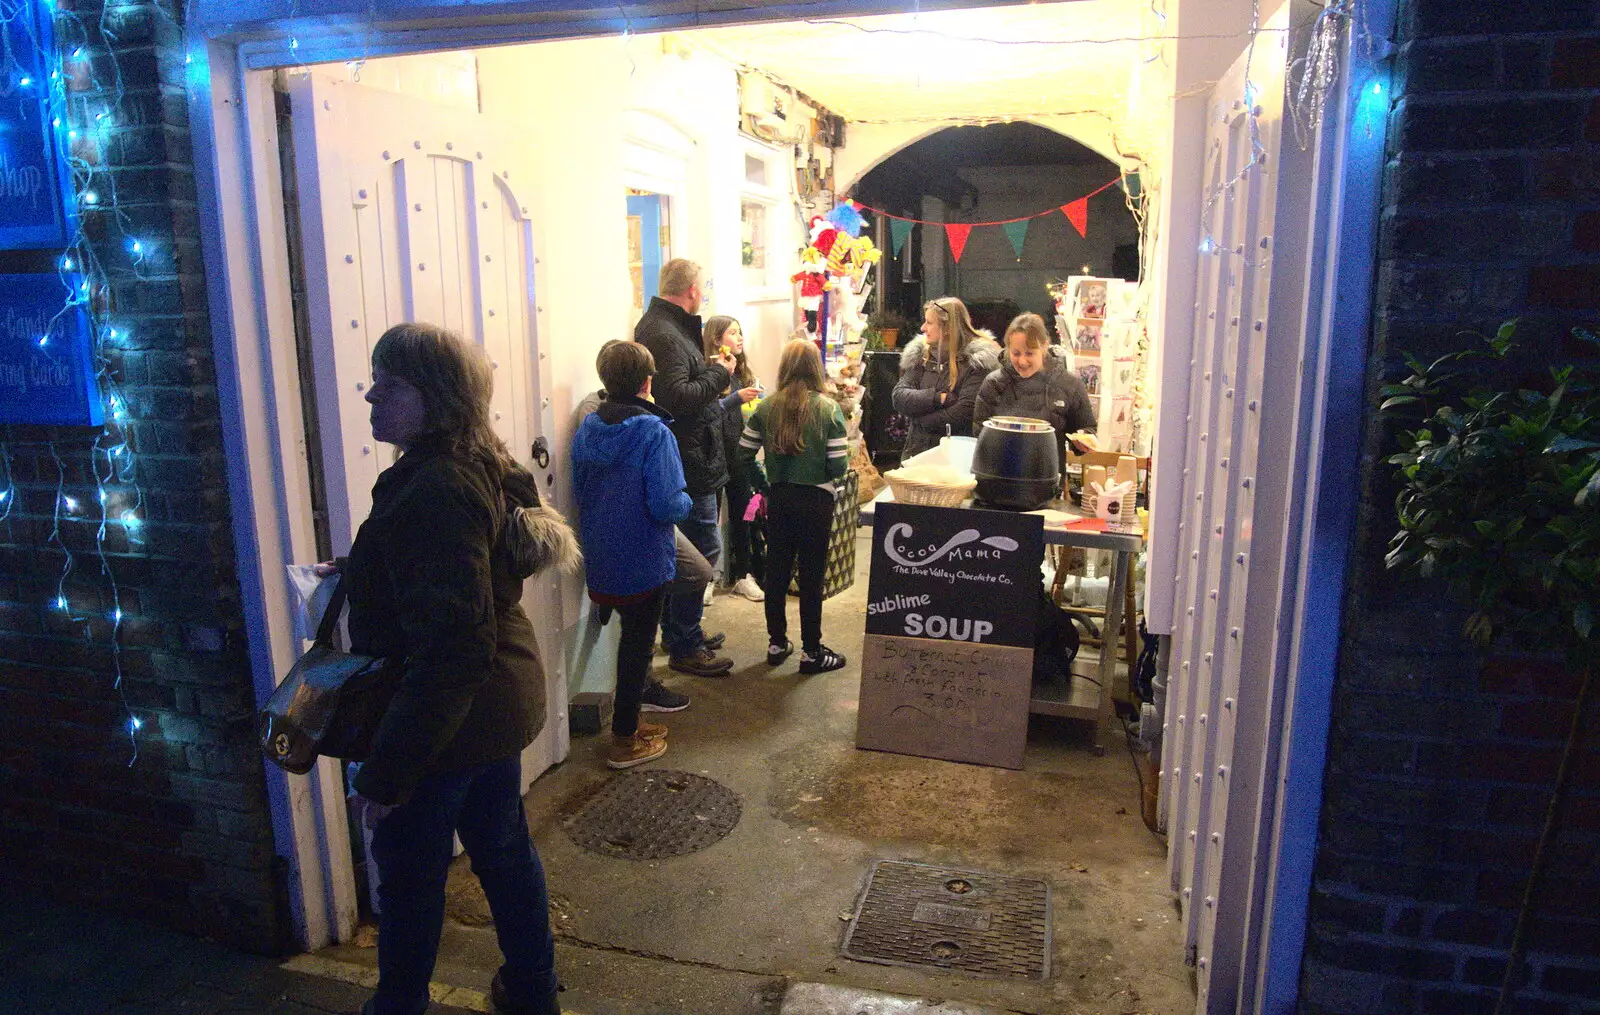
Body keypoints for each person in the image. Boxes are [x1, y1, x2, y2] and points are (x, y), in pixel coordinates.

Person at [341, 323, 564, 1015]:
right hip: (490, 708)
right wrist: (363, 572)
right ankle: (531, 993)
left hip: (450, 718)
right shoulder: (475, 462)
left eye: (391, 382)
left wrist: (390, 769)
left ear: (434, 397)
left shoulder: (434, 485)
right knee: (503, 852)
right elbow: (462, 582)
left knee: (409, 880)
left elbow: (452, 645)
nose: (372, 392)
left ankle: (399, 1005)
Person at [572, 340, 711, 769]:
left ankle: (628, 728)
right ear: (648, 382)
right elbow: (667, 505)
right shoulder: (653, 432)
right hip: (644, 558)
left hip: (601, 556)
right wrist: (688, 502)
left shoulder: (589, 428)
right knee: (637, 648)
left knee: (630, 642)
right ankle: (624, 741)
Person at [634, 258, 737, 677]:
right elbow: (677, 396)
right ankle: (684, 642)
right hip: (690, 459)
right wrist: (719, 373)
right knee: (703, 550)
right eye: (702, 288)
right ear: (692, 290)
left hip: (698, 454)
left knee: (697, 550)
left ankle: (681, 630)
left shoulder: (668, 327)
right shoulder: (664, 332)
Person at [739, 339, 850, 675]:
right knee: (811, 578)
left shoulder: (765, 407)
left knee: (777, 574)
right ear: (816, 368)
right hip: (817, 502)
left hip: (780, 499)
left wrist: (763, 486)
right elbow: (838, 467)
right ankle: (812, 652)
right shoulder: (829, 410)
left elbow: (743, 455)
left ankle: (776, 643)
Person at [891, 296, 1001, 459]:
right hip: (915, 455)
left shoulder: (977, 362)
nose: (922, 328)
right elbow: (899, 396)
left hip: (955, 458)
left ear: (947, 327)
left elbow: (965, 411)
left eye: (929, 322)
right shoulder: (921, 355)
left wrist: (919, 420)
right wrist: (937, 398)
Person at [702, 315, 764, 601]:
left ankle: (743, 575)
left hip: (737, 453)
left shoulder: (740, 371)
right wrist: (736, 397)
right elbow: (708, 412)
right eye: (732, 333)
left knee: (745, 513)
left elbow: (743, 414)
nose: (739, 338)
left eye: (740, 332)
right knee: (708, 518)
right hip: (711, 455)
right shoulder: (706, 374)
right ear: (716, 340)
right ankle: (706, 578)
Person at [973, 312, 1097, 450]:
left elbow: (1087, 428)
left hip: (1048, 468)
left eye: (1029, 353)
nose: (1022, 361)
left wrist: (1083, 440)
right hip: (1000, 468)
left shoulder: (1069, 384)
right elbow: (979, 433)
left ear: (1044, 346)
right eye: (1016, 353)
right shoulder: (994, 383)